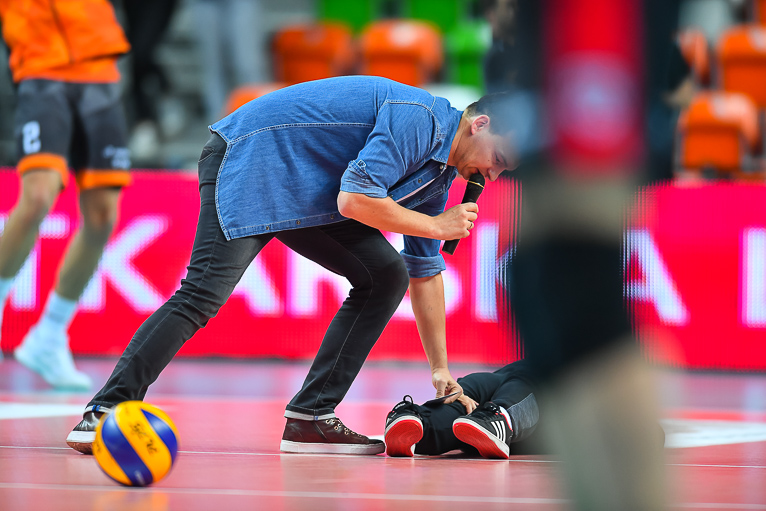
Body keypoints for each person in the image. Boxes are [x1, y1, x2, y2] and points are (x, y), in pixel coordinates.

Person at [66, 76, 516, 456]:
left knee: (386, 274)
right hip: (252, 156)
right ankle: (104, 410)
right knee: (203, 292)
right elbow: (354, 199)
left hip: (308, 187)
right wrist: (435, 225)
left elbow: (425, 269)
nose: (493, 176)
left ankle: (310, 417)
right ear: (480, 124)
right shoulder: (420, 119)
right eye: (498, 160)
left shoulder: (438, 175)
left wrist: (440, 370)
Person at [0, 0, 131, 389]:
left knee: (103, 216)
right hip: (41, 69)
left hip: (99, 68)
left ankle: (50, 335)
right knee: (38, 196)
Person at [384, 359, 540, 458]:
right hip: (527, 380)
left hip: (497, 378)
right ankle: (497, 420)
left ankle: (413, 417)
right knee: (529, 386)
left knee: (459, 404)